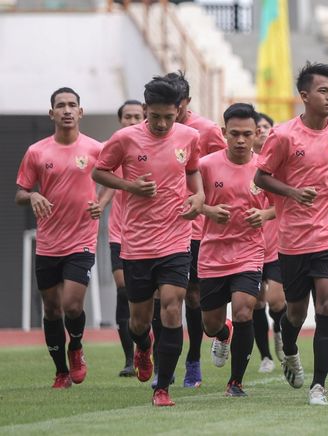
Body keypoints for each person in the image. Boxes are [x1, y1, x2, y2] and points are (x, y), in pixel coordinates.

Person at [254, 62, 328, 405]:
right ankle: (288, 350)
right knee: (296, 313)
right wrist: (292, 193)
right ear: (304, 95)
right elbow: (261, 177)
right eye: (323, 91)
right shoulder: (284, 135)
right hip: (293, 240)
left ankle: (319, 386)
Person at [92, 76, 204, 406]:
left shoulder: (189, 136)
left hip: (175, 238)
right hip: (137, 242)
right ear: (144, 110)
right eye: (155, 116)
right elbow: (99, 172)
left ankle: (163, 388)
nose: (162, 123)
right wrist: (130, 187)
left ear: (179, 111)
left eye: (169, 116)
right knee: (139, 321)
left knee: (172, 307)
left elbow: (193, 170)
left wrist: (198, 198)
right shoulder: (124, 139)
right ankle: (143, 346)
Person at [15, 87, 108, 389]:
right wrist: (32, 196)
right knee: (51, 308)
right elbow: (20, 193)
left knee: (71, 305)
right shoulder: (37, 152)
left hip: (81, 239)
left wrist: (102, 203)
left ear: (80, 112)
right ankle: (60, 372)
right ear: (51, 113)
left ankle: (76, 346)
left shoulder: (95, 149)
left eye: (72, 105)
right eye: (60, 105)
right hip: (48, 242)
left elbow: (115, 178)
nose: (67, 110)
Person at [200, 103, 273, 397]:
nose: (241, 140)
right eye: (234, 134)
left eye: (247, 134)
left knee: (245, 311)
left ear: (257, 134)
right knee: (210, 324)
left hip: (249, 251)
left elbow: (283, 204)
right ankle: (223, 333)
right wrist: (208, 210)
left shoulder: (266, 168)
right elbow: (186, 200)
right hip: (212, 253)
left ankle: (236, 383)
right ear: (223, 133)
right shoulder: (206, 166)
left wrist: (264, 215)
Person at [163, 71, 227, 388]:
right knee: (165, 298)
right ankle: (166, 360)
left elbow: (224, 171)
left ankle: (193, 361)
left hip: (199, 228)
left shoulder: (207, 131)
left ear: (186, 102)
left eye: (176, 104)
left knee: (193, 296)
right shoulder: (153, 132)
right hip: (163, 228)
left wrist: (209, 209)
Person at [110, 100, 145, 377]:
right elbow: (104, 181)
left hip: (150, 235)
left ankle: (146, 348)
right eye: (127, 117)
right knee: (124, 291)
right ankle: (128, 359)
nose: (132, 121)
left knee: (150, 298)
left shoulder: (152, 147)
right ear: (120, 120)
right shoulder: (116, 147)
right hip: (119, 232)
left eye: (137, 116)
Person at [252, 112, 287, 371]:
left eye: (266, 126)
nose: (262, 131)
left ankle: (279, 330)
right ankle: (265, 356)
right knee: (255, 301)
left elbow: (288, 201)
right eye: (257, 127)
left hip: (276, 244)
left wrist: (266, 213)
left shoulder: (280, 165)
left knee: (276, 300)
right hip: (249, 245)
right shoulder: (241, 164)